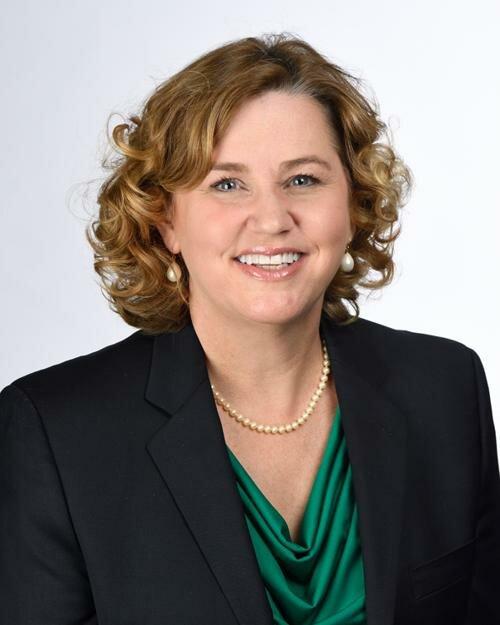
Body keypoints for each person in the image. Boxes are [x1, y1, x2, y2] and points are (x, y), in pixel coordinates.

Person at [0, 32, 498, 625]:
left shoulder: (444, 388)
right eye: (227, 184)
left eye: (303, 179)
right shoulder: (54, 431)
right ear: (165, 220)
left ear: (354, 202)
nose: (271, 219)